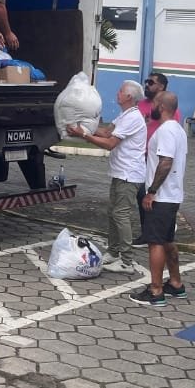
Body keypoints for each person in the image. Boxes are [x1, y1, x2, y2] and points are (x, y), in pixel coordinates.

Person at [67, 80, 147, 275]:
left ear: (129, 97)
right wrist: (83, 129)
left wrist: (84, 136)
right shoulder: (125, 115)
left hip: (129, 175)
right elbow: (105, 131)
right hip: (121, 173)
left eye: (121, 91)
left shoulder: (133, 117)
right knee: (113, 212)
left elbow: (110, 143)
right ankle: (113, 251)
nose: (117, 93)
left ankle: (126, 261)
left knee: (121, 214)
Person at [128, 91, 188, 306]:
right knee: (168, 240)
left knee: (155, 242)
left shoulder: (166, 131)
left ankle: (155, 290)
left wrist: (151, 191)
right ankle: (176, 283)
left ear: (161, 106)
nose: (151, 106)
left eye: (154, 103)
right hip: (172, 195)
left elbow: (165, 162)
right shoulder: (178, 130)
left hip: (161, 197)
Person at [133, 71, 182, 246]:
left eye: (151, 82)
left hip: (159, 158)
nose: (147, 85)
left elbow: (167, 160)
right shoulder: (141, 106)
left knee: (151, 195)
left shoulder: (169, 120)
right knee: (141, 195)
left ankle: (154, 233)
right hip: (141, 156)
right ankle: (146, 231)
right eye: (146, 82)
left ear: (161, 86)